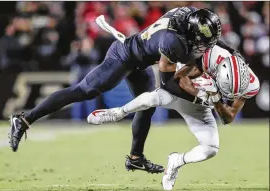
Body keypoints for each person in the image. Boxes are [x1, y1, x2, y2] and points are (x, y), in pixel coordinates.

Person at [10, 7, 225, 174]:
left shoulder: (187, 18)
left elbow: (205, 44)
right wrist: (201, 94)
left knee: (147, 106)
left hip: (140, 59)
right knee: (84, 90)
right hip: (124, 57)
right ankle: (24, 120)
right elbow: (170, 84)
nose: (203, 45)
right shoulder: (173, 42)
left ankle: (135, 158)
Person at [87, 46, 260, 190]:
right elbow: (178, 77)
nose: (229, 95)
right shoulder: (210, 57)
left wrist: (214, 98)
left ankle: (177, 160)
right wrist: (199, 89)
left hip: (201, 108)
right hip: (182, 94)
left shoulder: (250, 84)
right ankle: (118, 113)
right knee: (154, 98)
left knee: (211, 148)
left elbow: (228, 118)